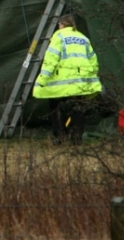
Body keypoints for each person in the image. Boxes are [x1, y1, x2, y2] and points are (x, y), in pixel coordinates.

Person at [33, 14, 103, 145]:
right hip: (81, 83)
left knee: (56, 108)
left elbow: (51, 60)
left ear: (61, 25)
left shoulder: (58, 37)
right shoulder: (84, 38)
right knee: (78, 110)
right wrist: (92, 79)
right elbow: (93, 61)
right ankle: (77, 138)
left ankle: (60, 137)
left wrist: (42, 79)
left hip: (61, 84)